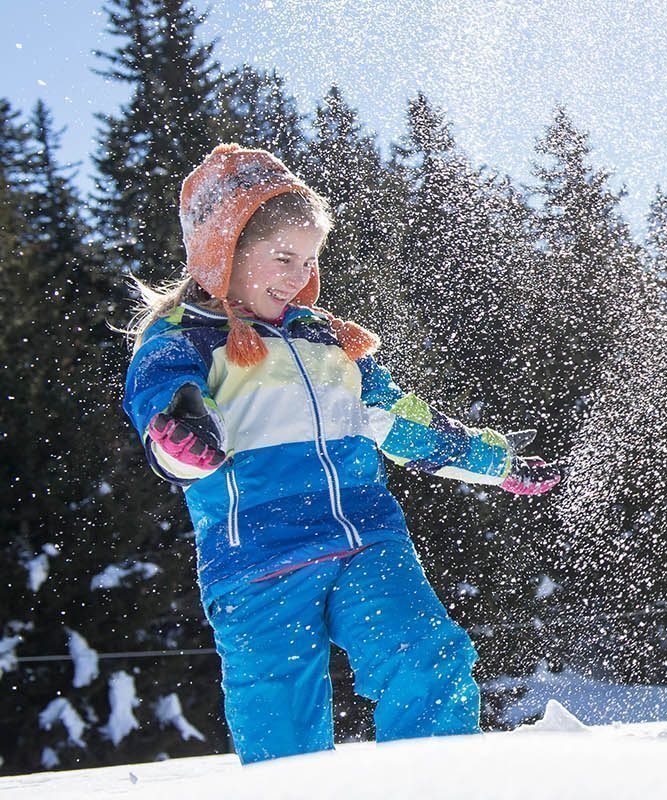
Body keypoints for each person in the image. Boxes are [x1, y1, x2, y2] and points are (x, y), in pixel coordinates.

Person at [121, 144, 563, 764]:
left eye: (309, 261)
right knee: (280, 719)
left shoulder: (331, 343)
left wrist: (499, 461)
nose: (299, 277)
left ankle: (438, 780)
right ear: (224, 250)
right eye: (282, 257)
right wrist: (183, 426)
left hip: (366, 541)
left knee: (426, 655)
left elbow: (406, 424)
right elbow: (164, 409)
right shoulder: (184, 342)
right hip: (259, 562)